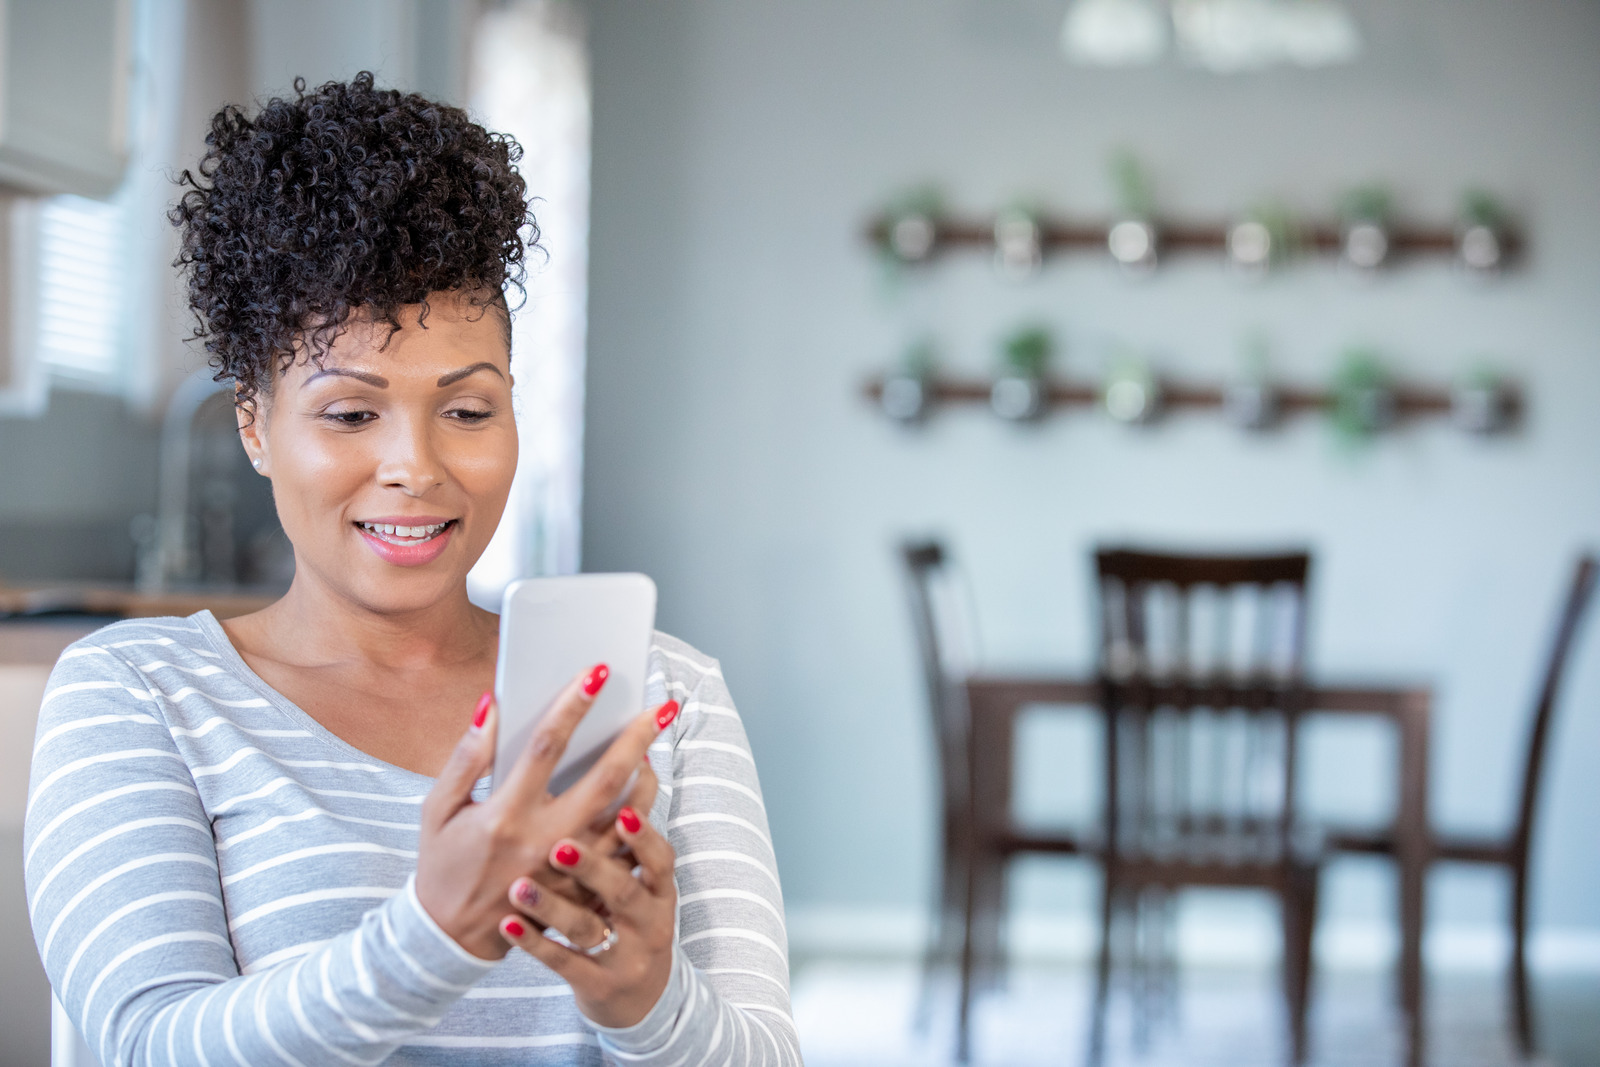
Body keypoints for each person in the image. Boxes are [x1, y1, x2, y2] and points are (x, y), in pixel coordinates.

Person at [25, 74, 799, 1066]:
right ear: (255, 424)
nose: (418, 467)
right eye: (351, 413)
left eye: (468, 410)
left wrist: (647, 1000)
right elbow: (147, 1043)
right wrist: (430, 934)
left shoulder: (662, 695)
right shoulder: (139, 695)